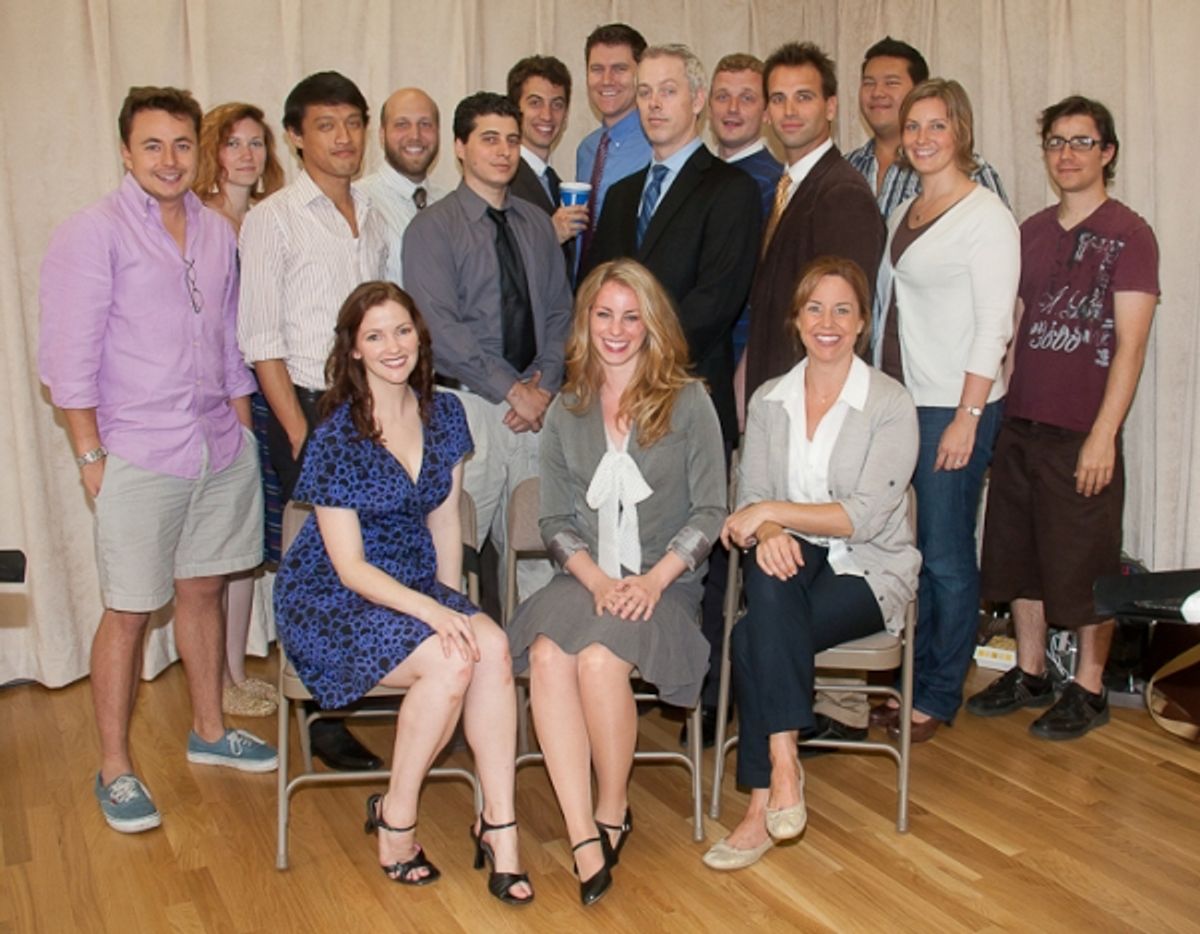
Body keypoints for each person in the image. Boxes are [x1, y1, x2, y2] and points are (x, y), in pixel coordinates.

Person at [39, 86, 277, 835]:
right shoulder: (92, 233)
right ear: (125, 150)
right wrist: (90, 456)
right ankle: (114, 765)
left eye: (181, 144)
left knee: (202, 591)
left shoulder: (215, 232)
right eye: (153, 145)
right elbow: (66, 361)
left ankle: (209, 728)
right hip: (138, 452)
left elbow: (230, 342)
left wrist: (241, 434)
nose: (170, 160)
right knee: (130, 611)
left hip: (218, 444)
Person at [274, 281, 531, 902]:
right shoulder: (336, 434)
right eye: (374, 335)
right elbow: (351, 567)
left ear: (420, 335)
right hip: (333, 597)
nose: (393, 346)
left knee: (490, 646)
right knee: (451, 658)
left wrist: (447, 602)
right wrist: (432, 617)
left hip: (415, 579)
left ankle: (500, 826)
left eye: (402, 330)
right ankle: (396, 819)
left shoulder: (447, 414)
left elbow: (444, 518)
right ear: (354, 350)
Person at [508, 259, 726, 905]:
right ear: (585, 322)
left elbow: (711, 511)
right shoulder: (567, 409)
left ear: (652, 324)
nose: (617, 328)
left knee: (601, 663)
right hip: (585, 575)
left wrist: (654, 581)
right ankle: (581, 833)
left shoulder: (690, 401)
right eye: (604, 314)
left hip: (667, 580)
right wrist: (598, 581)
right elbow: (552, 519)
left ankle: (612, 808)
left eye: (632, 316)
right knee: (548, 656)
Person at [703, 256, 918, 871]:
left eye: (842, 309)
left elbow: (867, 516)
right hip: (794, 554)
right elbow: (750, 502)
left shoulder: (889, 404)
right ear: (797, 321)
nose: (828, 322)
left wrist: (771, 512)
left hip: (868, 568)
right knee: (771, 580)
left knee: (753, 633)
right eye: (815, 308)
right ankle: (783, 769)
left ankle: (760, 801)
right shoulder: (770, 399)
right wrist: (767, 525)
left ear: (862, 323)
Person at [969, 96, 1159, 739]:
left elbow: (1131, 345)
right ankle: (1030, 672)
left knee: (1083, 567)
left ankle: (1089, 685)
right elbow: (1014, 331)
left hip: (1083, 433)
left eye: (1081, 142)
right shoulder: (1031, 231)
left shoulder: (1131, 235)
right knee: (1018, 559)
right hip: (1021, 423)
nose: (1067, 154)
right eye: (1055, 142)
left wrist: (1104, 434)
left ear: (1107, 152)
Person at [238, 70, 389, 771]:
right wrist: (300, 434)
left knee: (369, 552)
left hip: (368, 402)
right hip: (305, 402)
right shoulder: (272, 218)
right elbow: (260, 339)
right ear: (295, 137)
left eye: (353, 122)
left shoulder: (376, 211)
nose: (344, 137)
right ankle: (320, 713)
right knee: (313, 562)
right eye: (326, 125)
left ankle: (361, 683)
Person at [871, 79, 1019, 742]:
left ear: (960, 131)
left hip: (954, 405)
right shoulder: (907, 207)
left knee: (948, 554)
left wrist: (967, 414)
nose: (923, 138)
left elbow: (994, 326)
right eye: (913, 126)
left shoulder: (984, 214)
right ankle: (911, 679)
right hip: (904, 398)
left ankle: (936, 691)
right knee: (915, 549)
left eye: (936, 126)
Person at [403, 92, 573, 606]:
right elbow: (439, 328)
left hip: (539, 410)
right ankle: (463, 677)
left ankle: (534, 677)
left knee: (542, 554)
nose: (504, 151)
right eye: (489, 139)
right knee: (456, 554)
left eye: (512, 140)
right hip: (468, 410)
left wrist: (541, 385)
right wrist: (509, 390)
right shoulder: (431, 229)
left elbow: (559, 312)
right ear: (459, 147)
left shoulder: (535, 225)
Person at [194, 101, 286, 719]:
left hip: (257, 395)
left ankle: (232, 671)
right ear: (214, 152)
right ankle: (220, 680)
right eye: (235, 143)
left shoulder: (260, 220)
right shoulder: (202, 224)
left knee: (246, 548)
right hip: (220, 404)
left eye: (257, 143)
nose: (248, 154)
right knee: (221, 550)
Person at [745, 41, 883, 404]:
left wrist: (816, 408)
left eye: (804, 97)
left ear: (831, 106)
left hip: (815, 401)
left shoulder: (842, 194)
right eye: (778, 98)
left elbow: (841, 320)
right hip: (779, 388)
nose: (789, 110)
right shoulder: (788, 185)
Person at [846, 37, 1008, 219]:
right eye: (868, 83)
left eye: (891, 83)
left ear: (919, 90)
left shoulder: (970, 171)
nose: (877, 93)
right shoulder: (845, 168)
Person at [708, 52, 781, 395]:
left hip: (744, 361)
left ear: (766, 112)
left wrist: (746, 368)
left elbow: (769, 289)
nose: (732, 109)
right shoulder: (700, 176)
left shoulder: (773, 185)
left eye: (747, 98)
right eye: (723, 97)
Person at [575, 22, 652, 263]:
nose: (607, 80)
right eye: (597, 69)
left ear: (641, 74)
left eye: (619, 68)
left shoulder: (657, 148)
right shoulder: (586, 149)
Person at [360, 87, 445, 286]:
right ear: (382, 135)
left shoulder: (452, 204)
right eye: (401, 124)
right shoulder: (359, 202)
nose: (415, 135)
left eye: (425, 124)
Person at [506, 54, 587, 261]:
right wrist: (550, 235)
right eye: (535, 103)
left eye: (557, 104)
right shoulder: (501, 179)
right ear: (515, 110)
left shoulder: (555, 183)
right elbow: (492, 259)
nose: (547, 115)